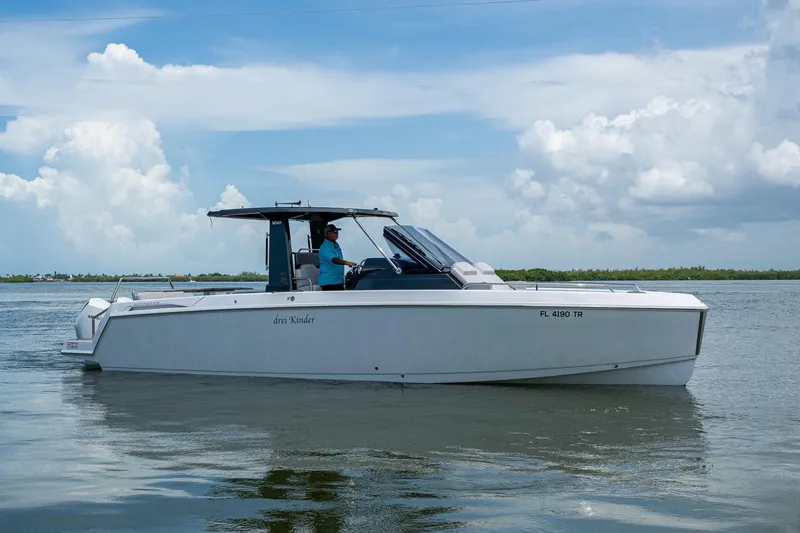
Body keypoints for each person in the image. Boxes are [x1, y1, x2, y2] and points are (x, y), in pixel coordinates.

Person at [317, 223, 357, 291]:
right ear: (328, 234)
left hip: (338, 281)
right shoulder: (325, 246)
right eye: (335, 232)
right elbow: (334, 260)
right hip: (329, 283)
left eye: (337, 232)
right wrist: (347, 263)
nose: (337, 233)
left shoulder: (336, 244)